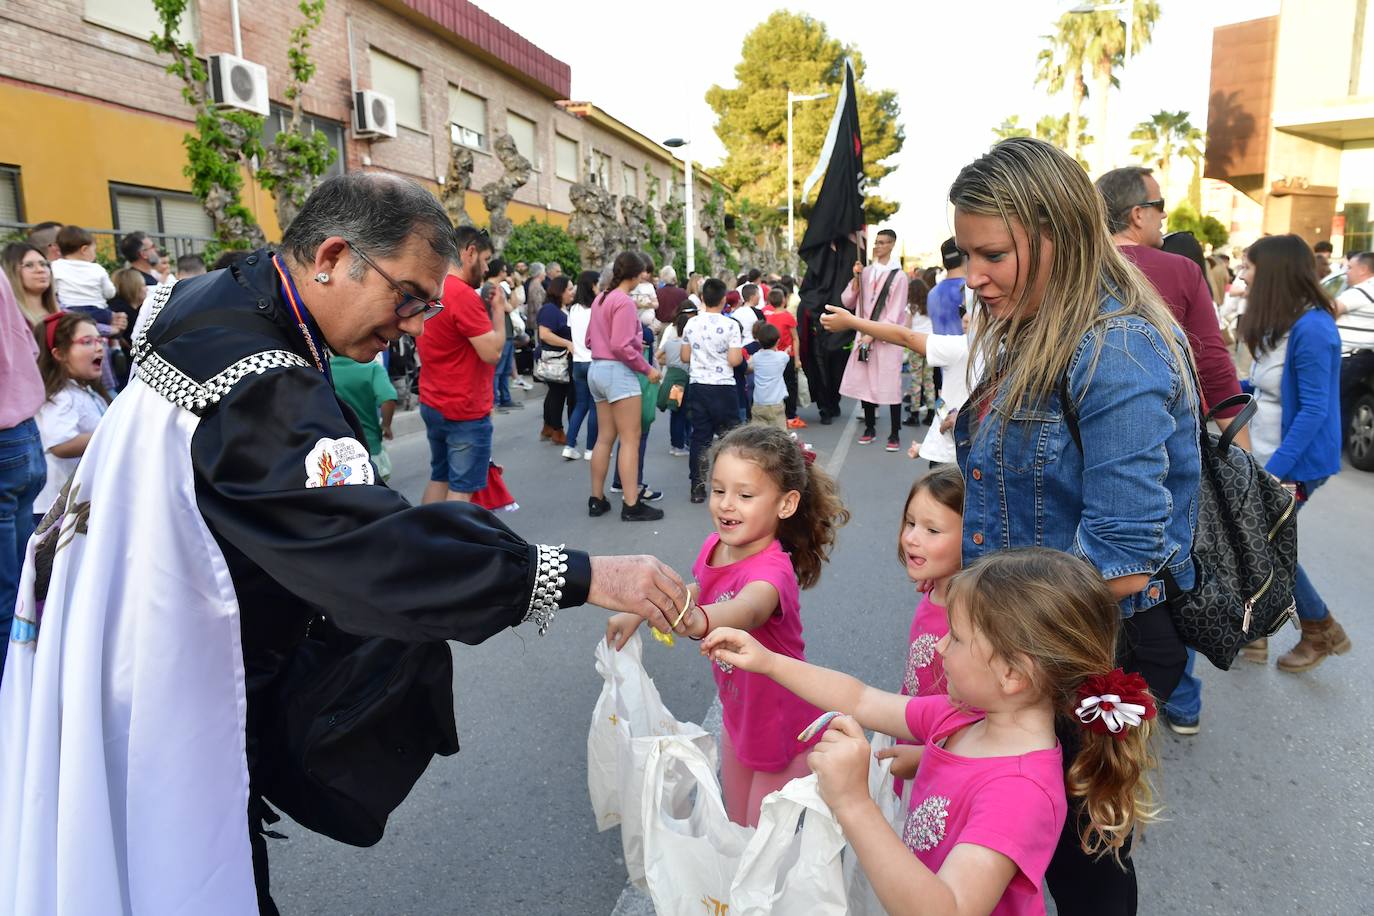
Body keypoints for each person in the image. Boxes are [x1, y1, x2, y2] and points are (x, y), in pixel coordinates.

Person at [0, 173, 688, 915]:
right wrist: (574, 574)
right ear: (330, 255)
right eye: (411, 297)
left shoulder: (220, 295)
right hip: (165, 676)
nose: (418, 324)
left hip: (111, 629)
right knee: (186, 869)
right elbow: (369, 548)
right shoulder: (262, 381)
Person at [946, 137, 1198, 914]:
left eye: (992, 254)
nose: (971, 276)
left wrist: (994, 635)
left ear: (1058, 233)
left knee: (1079, 859)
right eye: (964, 253)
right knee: (1063, 846)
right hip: (1034, 640)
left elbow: (1121, 556)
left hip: (1080, 646)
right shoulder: (1037, 326)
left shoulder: (1113, 347)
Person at [703, 548, 1159, 916]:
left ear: (1012, 674)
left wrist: (853, 802)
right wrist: (767, 660)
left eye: (956, 637)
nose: (940, 645)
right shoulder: (964, 717)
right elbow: (861, 699)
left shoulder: (1021, 793)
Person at [607, 424, 850, 826]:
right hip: (740, 714)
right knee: (736, 826)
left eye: (745, 495)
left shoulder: (773, 572)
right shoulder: (717, 545)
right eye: (719, 491)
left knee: (760, 845)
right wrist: (640, 607)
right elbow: (701, 586)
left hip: (780, 725)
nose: (726, 505)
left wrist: (699, 619)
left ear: (786, 504)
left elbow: (748, 607)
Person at [1236, 234, 1348, 673]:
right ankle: (1257, 636)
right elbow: (1265, 388)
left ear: (1274, 273)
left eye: (1249, 268)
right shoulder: (1282, 322)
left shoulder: (1314, 327)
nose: (1242, 276)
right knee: (1259, 543)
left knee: (1269, 547)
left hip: (1294, 464)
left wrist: (1275, 472)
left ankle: (1319, 629)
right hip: (1267, 456)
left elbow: (1315, 409)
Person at [1096, 167, 1249, 455]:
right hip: (1163, 442)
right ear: (1138, 214)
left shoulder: (1070, 269)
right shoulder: (1181, 271)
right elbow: (1211, 363)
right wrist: (1244, 456)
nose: (1165, 216)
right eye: (1160, 206)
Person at [883, 466, 965, 802]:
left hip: (944, 757)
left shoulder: (972, 619)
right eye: (911, 522)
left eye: (932, 530)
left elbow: (979, 712)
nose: (912, 537)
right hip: (911, 732)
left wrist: (927, 757)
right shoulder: (936, 588)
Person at [418, 226, 504, 504]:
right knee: (461, 488)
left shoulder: (433, 289)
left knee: (439, 477)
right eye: (486, 259)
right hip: (464, 409)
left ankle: (426, 540)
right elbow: (492, 353)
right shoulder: (463, 295)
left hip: (434, 401)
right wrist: (499, 313)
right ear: (470, 252)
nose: (487, 267)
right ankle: (453, 546)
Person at [587, 251, 663, 522]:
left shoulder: (601, 298)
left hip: (596, 369)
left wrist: (628, 344)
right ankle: (631, 503)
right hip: (618, 372)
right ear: (635, 274)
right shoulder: (625, 302)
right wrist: (647, 368)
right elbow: (620, 345)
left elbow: (590, 340)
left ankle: (596, 498)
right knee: (630, 438)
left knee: (604, 438)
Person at [0, 269, 47, 676]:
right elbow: (27, 346)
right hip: (21, 433)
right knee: (16, 590)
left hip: (8, 439)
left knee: (7, 596)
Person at [31, 313, 110, 522]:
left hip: (77, 504)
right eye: (87, 342)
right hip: (55, 511)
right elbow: (61, 444)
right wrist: (114, 433)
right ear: (58, 353)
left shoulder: (86, 392)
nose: (99, 347)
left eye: (99, 340)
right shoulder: (60, 397)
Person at [841, 229, 910, 451]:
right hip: (864, 335)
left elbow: (895, 312)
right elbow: (848, 301)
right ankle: (869, 427)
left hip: (887, 339)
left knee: (891, 385)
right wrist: (855, 278)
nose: (877, 246)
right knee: (865, 382)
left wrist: (872, 334)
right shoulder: (866, 271)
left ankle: (894, 433)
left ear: (891, 244)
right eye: (876, 242)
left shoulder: (899, 276)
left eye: (882, 243)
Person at [682, 278, 743, 504]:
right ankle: (734, 484)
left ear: (702, 298)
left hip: (698, 384)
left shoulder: (691, 324)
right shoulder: (730, 325)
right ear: (724, 299)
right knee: (731, 438)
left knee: (700, 437)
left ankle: (697, 486)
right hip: (723, 386)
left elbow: (685, 356)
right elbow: (735, 359)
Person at [328, 352, 398, 481]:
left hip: (337, 455)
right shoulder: (372, 368)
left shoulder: (323, 371)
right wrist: (386, 426)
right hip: (370, 447)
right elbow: (388, 398)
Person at [1335, 251, 1374, 437]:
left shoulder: (1363, 290)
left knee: (1334, 403)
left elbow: (1330, 310)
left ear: (1364, 270)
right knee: (1344, 403)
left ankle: (1332, 446)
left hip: (1350, 357)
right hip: (1360, 357)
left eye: (1350, 268)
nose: (1346, 273)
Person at [565, 270, 600, 461]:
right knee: (594, 407)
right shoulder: (595, 308)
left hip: (577, 361)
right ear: (592, 285)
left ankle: (570, 445)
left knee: (580, 405)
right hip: (593, 361)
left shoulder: (574, 309)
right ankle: (590, 449)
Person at [537, 275, 575, 447]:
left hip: (563, 359)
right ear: (560, 291)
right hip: (555, 358)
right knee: (558, 394)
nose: (572, 292)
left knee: (555, 393)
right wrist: (567, 343)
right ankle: (557, 430)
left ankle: (549, 426)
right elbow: (544, 334)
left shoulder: (565, 309)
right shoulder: (550, 310)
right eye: (569, 289)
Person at [655, 302, 696, 456]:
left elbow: (656, 356)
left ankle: (675, 443)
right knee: (683, 412)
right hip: (682, 380)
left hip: (671, 377)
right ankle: (680, 445)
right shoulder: (687, 345)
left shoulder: (670, 342)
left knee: (675, 411)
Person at [762, 287, 804, 429]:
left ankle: (779, 413)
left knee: (777, 385)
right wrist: (797, 358)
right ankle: (791, 415)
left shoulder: (769, 318)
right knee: (790, 385)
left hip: (773, 357)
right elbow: (795, 338)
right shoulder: (788, 317)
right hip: (788, 356)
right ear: (784, 300)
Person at [483, 258, 521, 411]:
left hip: (507, 332)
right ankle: (495, 400)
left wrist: (511, 289)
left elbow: (513, 304)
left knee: (505, 369)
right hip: (499, 332)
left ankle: (505, 398)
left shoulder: (499, 287)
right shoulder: (490, 288)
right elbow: (509, 308)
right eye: (505, 270)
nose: (507, 273)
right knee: (498, 370)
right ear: (499, 271)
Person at [49, 225, 116, 310]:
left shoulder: (55, 266)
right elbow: (110, 292)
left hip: (70, 311)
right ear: (84, 250)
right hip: (98, 311)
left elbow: (53, 290)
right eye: (94, 250)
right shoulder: (97, 269)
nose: (95, 254)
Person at [2, 242, 59, 328]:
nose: (40, 270)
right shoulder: (6, 321)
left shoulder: (67, 316)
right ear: (12, 272)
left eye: (43, 264)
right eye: (29, 265)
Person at [746, 322, 789, 431]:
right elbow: (785, 357)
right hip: (776, 402)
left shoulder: (756, 357)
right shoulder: (782, 357)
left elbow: (749, 366)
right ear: (778, 341)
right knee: (779, 434)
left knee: (759, 435)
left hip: (759, 402)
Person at [905, 277, 936, 426]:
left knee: (916, 381)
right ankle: (931, 413)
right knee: (929, 380)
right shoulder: (930, 305)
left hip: (915, 343)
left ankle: (914, 414)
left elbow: (907, 327)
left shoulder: (911, 307)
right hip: (930, 344)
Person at [927, 237, 968, 336]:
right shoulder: (970, 290)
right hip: (965, 350)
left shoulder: (932, 293)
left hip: (940, 350)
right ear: (965, 257)